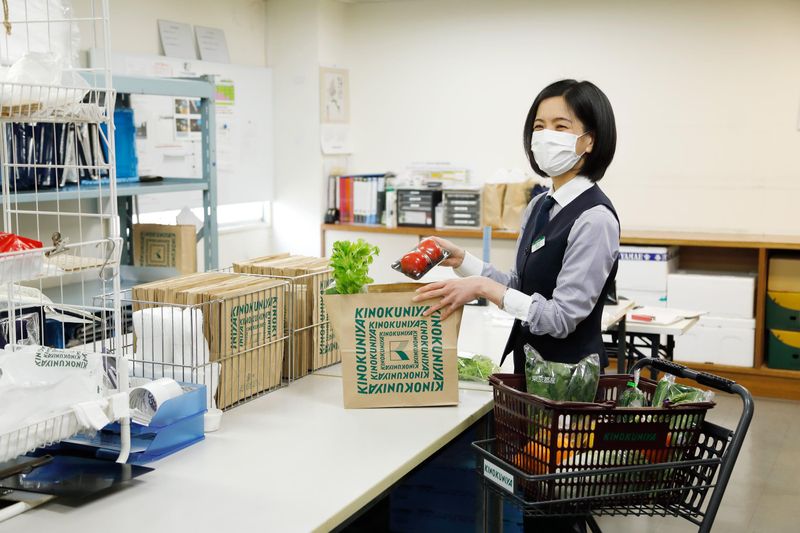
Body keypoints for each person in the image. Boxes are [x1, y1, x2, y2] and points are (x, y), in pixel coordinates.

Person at [413, 79, 619, 533]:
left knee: (555, 513)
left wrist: (486, 289)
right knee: (534, 505)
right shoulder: (541, 205)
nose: (545, 136)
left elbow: (561, 317)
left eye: (561, 126)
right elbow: (523, 286)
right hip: (531, 378)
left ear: (589, 141)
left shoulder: (595, 219)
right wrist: (464, 262)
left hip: (568, 386)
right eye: (539, 126)